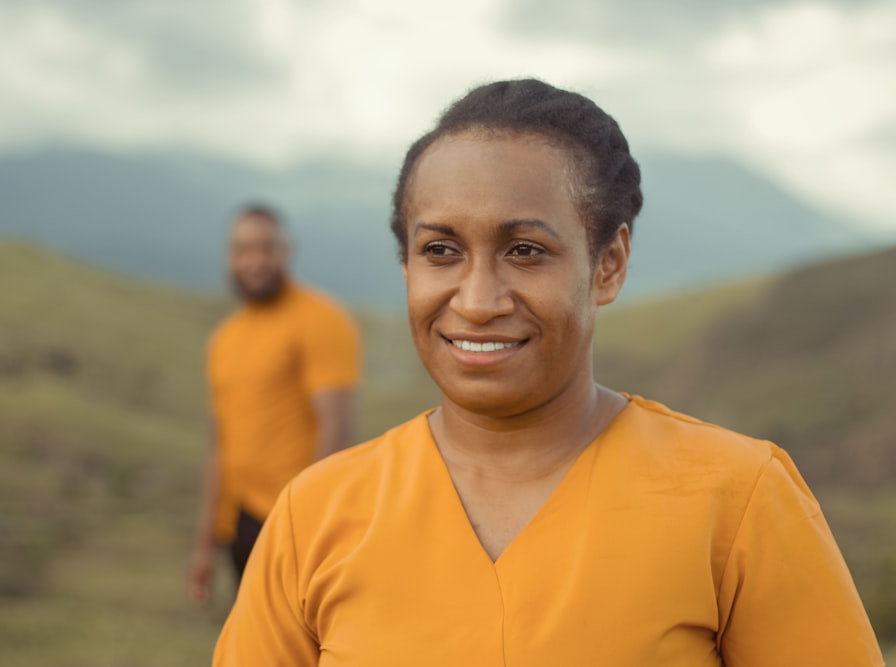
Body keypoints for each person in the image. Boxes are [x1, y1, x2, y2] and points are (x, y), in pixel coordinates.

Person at [212, 81, 885, 665]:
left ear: (608, 264)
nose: (476, 300)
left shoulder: (738, 502)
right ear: (407, 267)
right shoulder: (313, 516)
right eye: (440, 249)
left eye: (526, 250)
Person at [187, 204, 361, 605]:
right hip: (240, 525)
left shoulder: (321, 320)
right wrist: (204, 545)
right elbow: (220, 446)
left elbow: (336, 429)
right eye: (243, 250)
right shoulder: (225, 340)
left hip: (295, 523)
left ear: (285, 251)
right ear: (230, 257)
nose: (255, 261)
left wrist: (312, 528)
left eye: (266, 248)